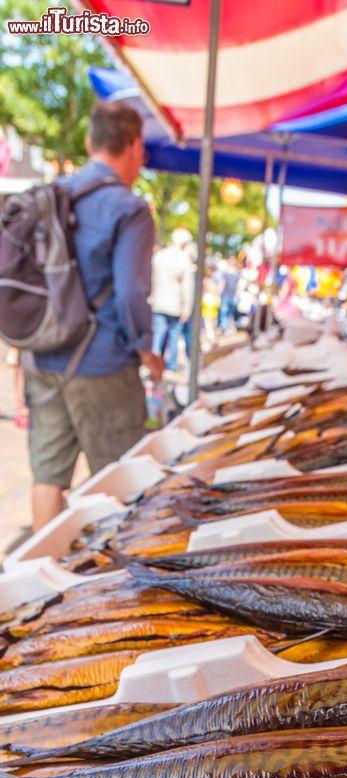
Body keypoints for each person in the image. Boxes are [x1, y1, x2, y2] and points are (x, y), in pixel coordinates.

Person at [24, 102, 163, 532]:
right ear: (136, 146)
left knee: (48, 476)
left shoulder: (52, 195)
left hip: (42, 356)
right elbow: (129, 291)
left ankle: (39, 580)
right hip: (101, 363)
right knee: (117, 479)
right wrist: (146, 349)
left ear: (89, 142)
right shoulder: (130, 208)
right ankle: (114, 589)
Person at [151, 228, 195, 371]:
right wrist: (187, 308)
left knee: (158, 335)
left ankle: (154, 364)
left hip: (158, 302)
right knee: (173, 337)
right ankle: (170, 365)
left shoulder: (159, 256)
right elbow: (187, 287)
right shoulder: (183, 259)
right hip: (175, 305)